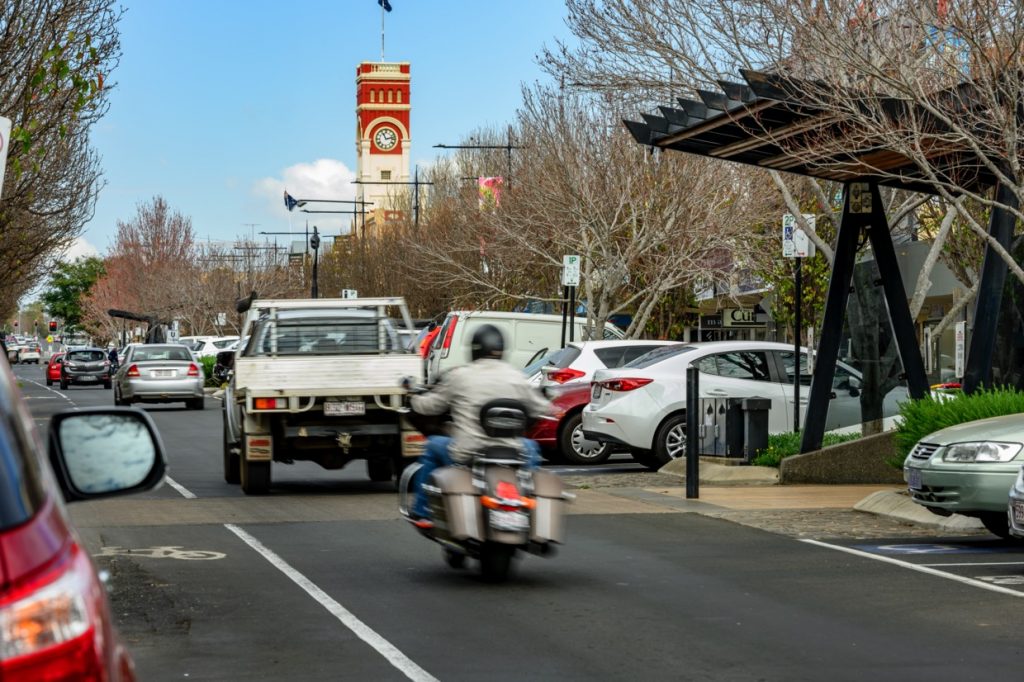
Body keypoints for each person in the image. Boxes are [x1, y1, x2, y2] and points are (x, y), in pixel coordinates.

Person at [408, 323, 550, 523]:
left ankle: (422, 511)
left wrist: (414, 398)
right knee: (531, 446)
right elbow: (542, 408)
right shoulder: (517, 377)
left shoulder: (461, 376)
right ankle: (531, 496)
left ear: (474, 349)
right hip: (511, 453)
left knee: (432, 445)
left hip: (468, 453)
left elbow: (430, 406)